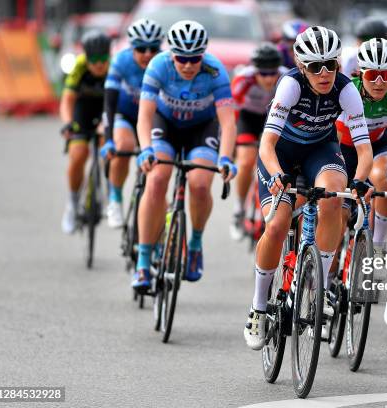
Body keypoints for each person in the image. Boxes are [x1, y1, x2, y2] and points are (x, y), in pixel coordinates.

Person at [243, 26, 372, 350]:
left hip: (320, 151)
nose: (325, 73)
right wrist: (275, 176)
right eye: (316, 66)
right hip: (281, 154)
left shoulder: (345, 90)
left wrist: (360, 181)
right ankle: (259, 307)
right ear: (302, 67)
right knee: (276, 224)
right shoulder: (290, 85)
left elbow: (364, 149)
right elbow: (267, 145)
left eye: (331, 64)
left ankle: (319, 285)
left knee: (333, 198)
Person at [132, 20, 237, 290]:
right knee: (156, 179)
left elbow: (227, 123)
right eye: (181, 58)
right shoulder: (158, 66)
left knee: (200, 184)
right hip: (164, 125)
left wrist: (225, 158)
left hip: (201, 128)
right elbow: (144, 116)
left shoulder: (215, 71)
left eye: (194, 59)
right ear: (171, 54)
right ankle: (143, 263)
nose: (188, 65)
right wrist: (145, 150)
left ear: (203, 55)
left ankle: (195, 243)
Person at [337, 37, 387, 247]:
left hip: (377, 144)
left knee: (384, 180)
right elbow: (336, 137)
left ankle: (377, 246)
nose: (379, 83)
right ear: (361, 72)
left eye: (385, 75)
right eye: (372, 75)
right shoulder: (347, 92)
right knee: (339, 215)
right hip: (345, 149)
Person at [100, 18, 164, 228]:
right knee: (124, 147)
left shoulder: (165, 63)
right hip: (125, 114)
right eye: (141, 48)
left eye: (153, 48)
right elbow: (109, 104)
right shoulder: (121, 61)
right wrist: (108, 140)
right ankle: (115, 200)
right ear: (131, 47)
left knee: (158, 161)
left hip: (153, 117)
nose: (147, 53)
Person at [230, 43, 288, 240]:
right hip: (248, 119)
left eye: (272, 73)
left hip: (273, 119)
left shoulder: (285, 78)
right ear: (255, 71)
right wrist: (231, 144)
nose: (269, 78)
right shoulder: (243, 79)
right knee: (246, 161)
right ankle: (239, 209)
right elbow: (231, 112)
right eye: (263, 74)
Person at [60, 31, 111, 234]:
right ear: (86, 58)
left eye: (103, 60)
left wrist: (108, 124)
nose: (99, 65)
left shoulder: (114, 67)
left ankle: (107, 195)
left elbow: (118, 102)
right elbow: (67, 100)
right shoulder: (79, 66)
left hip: (106, 108)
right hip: (83, 109)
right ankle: (72, 204)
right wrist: (67, 123)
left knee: (107, 150)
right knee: (78, 154)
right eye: (94, 60)